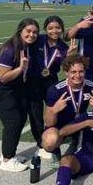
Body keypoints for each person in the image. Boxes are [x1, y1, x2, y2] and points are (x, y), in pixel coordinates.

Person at [0, 18, 39, 172]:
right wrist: (20, 68)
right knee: (13, 121)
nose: (32, 34)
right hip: (1, 89)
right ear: (20, 31)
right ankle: (7, 159)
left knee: (20, 118)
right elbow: (3, 78)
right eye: (28, 31)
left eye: (35, 32)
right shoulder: (10, 49)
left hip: (15, 87)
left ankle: (9, 153)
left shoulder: (26, 45)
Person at [41, 54, 93, 155]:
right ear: (66, 72)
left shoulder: (92, 86)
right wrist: (54, 110)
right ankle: (55, 151)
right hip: (60, 123)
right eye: (73, 72)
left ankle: (79, 145)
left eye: (81, 71)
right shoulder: (55, 90)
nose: (77, 76)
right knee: (50, 142)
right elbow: (49, 122)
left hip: (80, 121)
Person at [28, 16, 70, 158]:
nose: (54, 31)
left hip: (51, 80)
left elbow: (66, 67)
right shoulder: (38, 39)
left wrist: (69, 57)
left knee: (54, 110)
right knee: (35, 113)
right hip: (33, 80)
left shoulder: (64, 47)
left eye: (58, 28)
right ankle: (41, 144)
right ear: (45, 29)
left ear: (62, 29)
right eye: (50, 28)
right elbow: (21, 44)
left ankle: (54, 136)